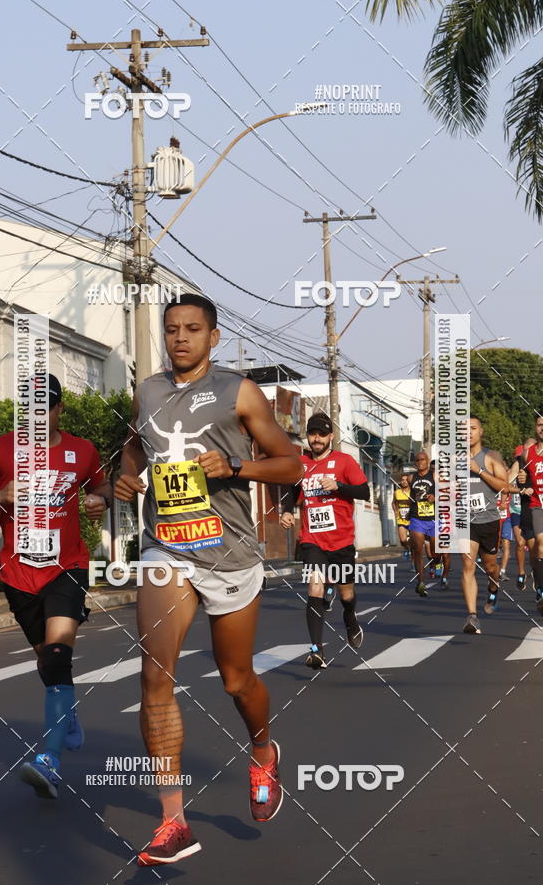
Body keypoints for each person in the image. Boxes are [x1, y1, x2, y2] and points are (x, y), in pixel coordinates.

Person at [115, 293, 303, 866]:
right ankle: (173, 821)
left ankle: (264, 750)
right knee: (154, 677)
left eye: (192, 329)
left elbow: (292, 464)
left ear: (213, 337)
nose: (179, 338)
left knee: (235, 679)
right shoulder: (146, 391)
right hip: (166, 548)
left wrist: (237, 467)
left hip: (230, 552)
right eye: (171, 329)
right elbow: (132, 450)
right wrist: (126, 482)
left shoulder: (239, 391)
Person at [0, 373, 111, 798]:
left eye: (47, 409)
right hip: (19, 574)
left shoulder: (83, 451)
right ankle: (67, 711)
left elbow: (102, 486)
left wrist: (101, 500)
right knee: (47, 661)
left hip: (68, 566)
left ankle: (51, 759)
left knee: (58, 654)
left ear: (61, 410)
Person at [280, 412, 370, 670]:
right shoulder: (301, 463)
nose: (316, 439)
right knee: (315, 589)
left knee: (346, 593)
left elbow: (363, 491)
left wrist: (338, 486)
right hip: (312, 540)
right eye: (312, 433)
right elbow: (293, 491)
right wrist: (287, 511)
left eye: (321, 434)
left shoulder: (344, 461)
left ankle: (350, 617)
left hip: (341, 540)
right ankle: (317, 651)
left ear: (331, 436)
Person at [460, 416, 508, 634]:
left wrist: (478, 470)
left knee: (490, 568)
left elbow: (504, 486)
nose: (468, 432)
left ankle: (493, 586)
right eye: (464, 429)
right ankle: (472, 616)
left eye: (473, 428)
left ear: (481, 431)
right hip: (465, 520)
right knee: (468, 565)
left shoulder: (491, 456)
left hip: (489, 520)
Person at [408, 451, 450, 595]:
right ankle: (420, 582)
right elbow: (407, 494)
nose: (420, 462)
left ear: (428, 461)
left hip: (434, 518)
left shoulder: (435, 476)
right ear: (415, 462)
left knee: (434, 551)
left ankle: (436, 561)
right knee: (418, 550)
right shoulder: (410, 478)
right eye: (417, 460)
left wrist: (435, 497)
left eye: (423, 459)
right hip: (417, 518)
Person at [519, 419, 543, 614]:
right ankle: (541, 586)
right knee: (538, 547)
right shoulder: (528, 453)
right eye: (539, 424)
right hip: (537, 506)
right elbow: (519, 475)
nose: (542, 428)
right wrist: (521, 480)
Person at [509, 438, 536, 590]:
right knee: (520, 543)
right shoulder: (517, 464)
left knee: (535, 548)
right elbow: (504, 484)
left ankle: (536, 571)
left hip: (535, 510)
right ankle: (521, 572)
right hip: (517, 510)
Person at [392, 474, 412, 560]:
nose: (404, 481)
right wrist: (395, 511)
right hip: (401, 519)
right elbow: (393, 503)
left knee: (414, 543)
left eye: (406, 480)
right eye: (402, 480)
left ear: (409, 481)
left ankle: (413, 562)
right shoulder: (397, 492)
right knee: (403, 540)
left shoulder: (413, 492)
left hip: (412, 520)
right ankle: (406, 548)